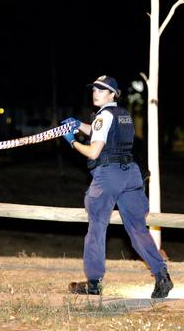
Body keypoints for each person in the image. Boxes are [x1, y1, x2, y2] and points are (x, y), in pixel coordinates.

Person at [61, 75, 173, 298]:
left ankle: (93, 283)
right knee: (138, 229)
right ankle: (162, 276)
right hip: (130, 173)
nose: (95, 92)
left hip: (109, 177)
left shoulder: (103, 116)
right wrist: (79, 125)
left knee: (97, 228)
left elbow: (94, 151)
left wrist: (72, 141)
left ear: (112, 94)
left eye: (101, 90)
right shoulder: (122, 114)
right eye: (94, 89)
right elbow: (103, 134)